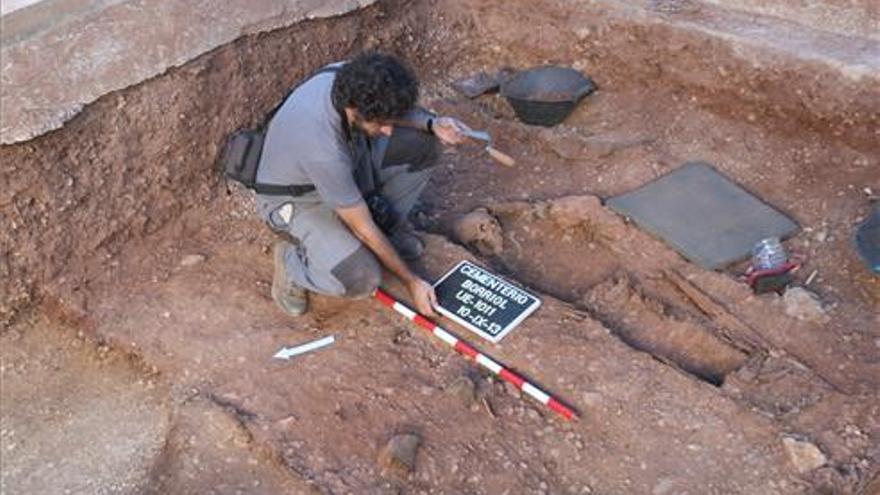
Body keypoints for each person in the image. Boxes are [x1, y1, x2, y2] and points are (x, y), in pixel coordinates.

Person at [254, 52, 470, 318]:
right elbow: (362, 226)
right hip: (300, 199)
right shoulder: (323, 148)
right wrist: (411, 282)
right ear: (355, 108)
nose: (389, 130)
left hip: (346, 167)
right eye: (381, 123)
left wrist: (432, 123)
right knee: (360, 276)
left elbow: (387, 110)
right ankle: (292, 264)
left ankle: (384, 235)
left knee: (422, 143)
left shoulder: (352, 77)